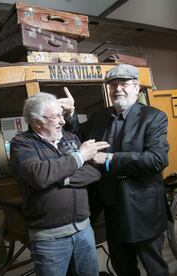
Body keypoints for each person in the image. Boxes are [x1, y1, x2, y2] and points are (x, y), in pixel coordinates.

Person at [60, 64, 170, 276]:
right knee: (122, 266)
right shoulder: (99, 117)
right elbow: (78, 136)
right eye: (113, 85)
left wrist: (109, 159)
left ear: (136, 88)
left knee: (154, 267)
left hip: (142, 209)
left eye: (124, 84)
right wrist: (72, 114)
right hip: (112, 208)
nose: (118, 89)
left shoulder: (153, 117)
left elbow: (157, 159)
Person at [10, 92, 109, 276]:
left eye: (61, 115)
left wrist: (61, 177)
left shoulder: (70, 138)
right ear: (36, 121)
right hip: (49, 239)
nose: (62, 121)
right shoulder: (21, 144)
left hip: (84, 230)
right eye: (56, 116)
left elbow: (93, 173)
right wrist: (79, 157)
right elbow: (40, 175)